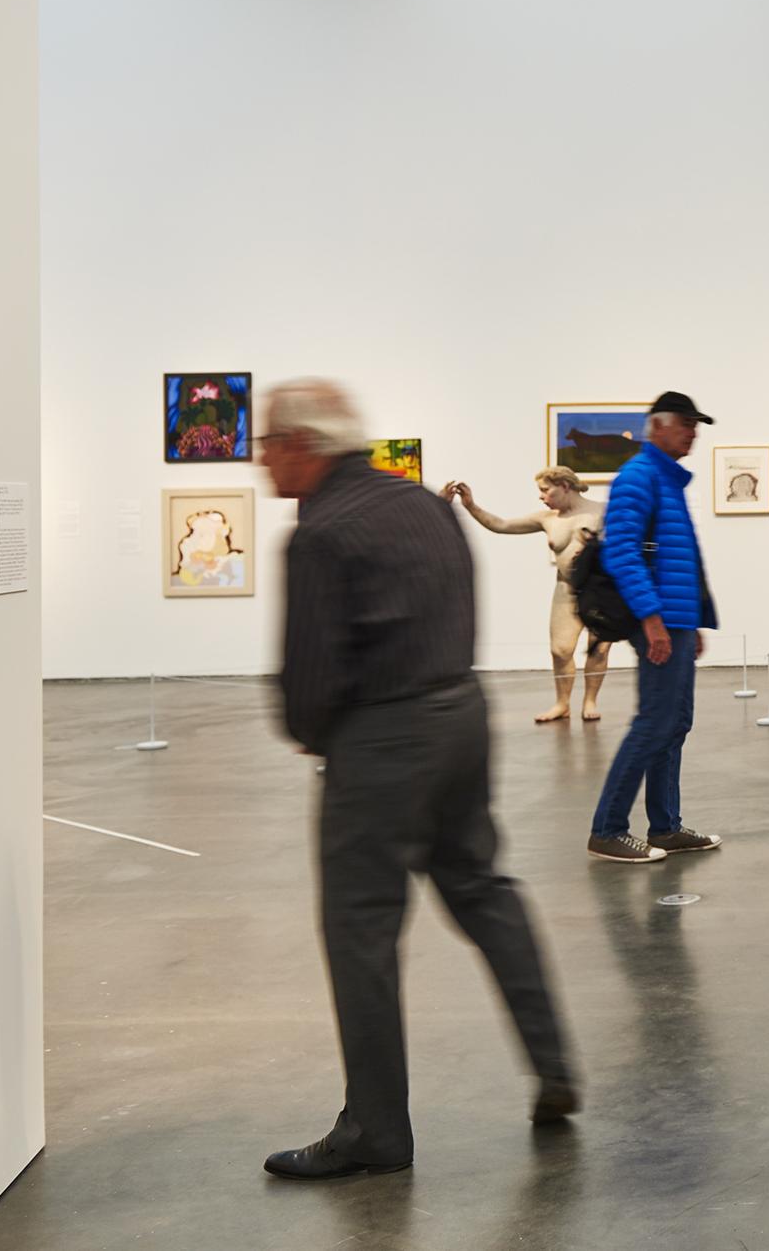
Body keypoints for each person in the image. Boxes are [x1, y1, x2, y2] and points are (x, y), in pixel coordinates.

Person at [258, 378, 576, 1181]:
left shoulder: (320, 533)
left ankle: (376, 1131)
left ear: (304, 446)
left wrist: (314, 733)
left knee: (360, 931)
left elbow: (310, 677)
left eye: (268, 445)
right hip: (461, 716)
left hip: (380, 742)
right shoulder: (423, 506)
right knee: (482, 889)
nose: (261, 462)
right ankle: (555, 1064)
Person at [587, 390, 723, 864]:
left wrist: (690, 622)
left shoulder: (666, 481)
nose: (693, 434)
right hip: (656, 622)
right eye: (687, 424)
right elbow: (621, 552)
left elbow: (675, 561)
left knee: (674, 723)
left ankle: (665, 827)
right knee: (653, 723)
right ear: (658, 427)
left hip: (674, 620)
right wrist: (652, 621)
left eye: (696, 426)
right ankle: (608, 829)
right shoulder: (638, 477)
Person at [444, 467, 613, 723]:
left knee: (598, 649)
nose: (541, 496)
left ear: (565, 486)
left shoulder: (602, 511)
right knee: (560, 650)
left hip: (600, 590)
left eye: (545, 490)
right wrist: (470, 506)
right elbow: (501, 525)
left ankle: (590, 700)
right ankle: (562, 703)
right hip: (566, 588)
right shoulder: (548, 518)